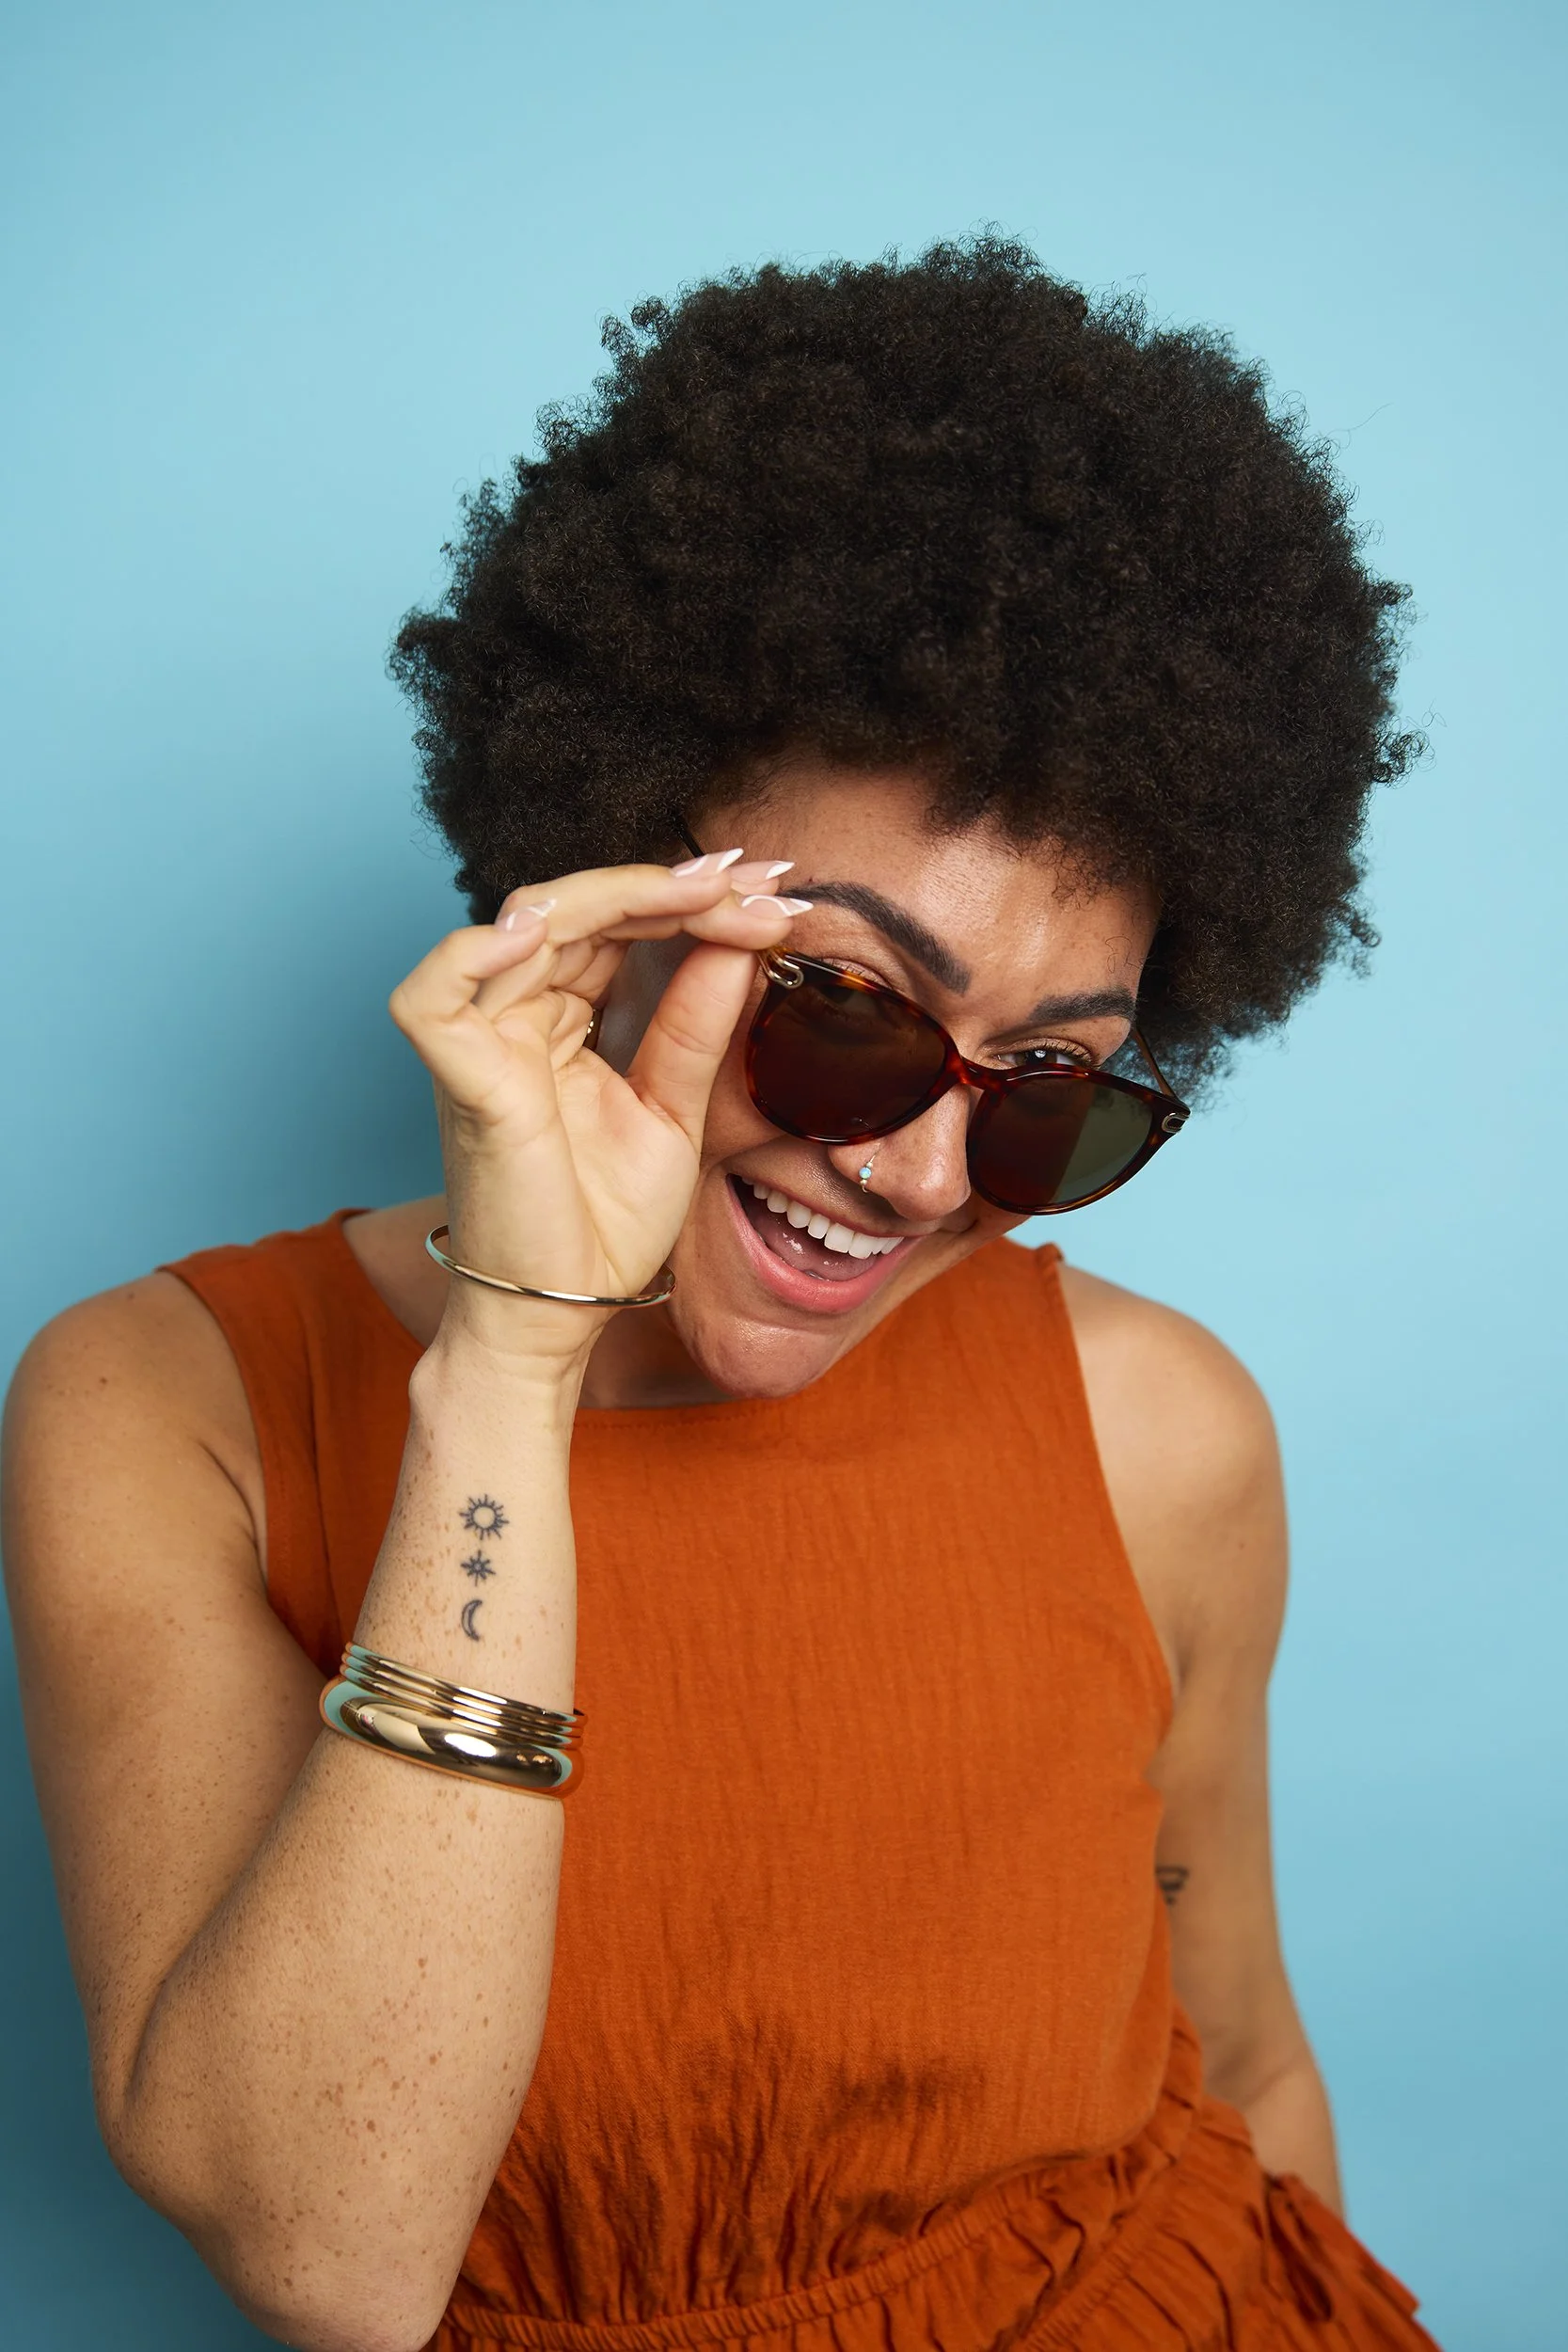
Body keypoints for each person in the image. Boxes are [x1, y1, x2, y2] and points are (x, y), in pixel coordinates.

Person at [3, 240, 1439, 2352]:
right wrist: (510, 1343)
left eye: (1046, 1089)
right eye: (847, 1011)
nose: (923, 1171)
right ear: (605, 880)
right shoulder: (166, 1407)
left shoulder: (1162, 1433)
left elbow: (1248, 2067)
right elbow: (327, 2246)